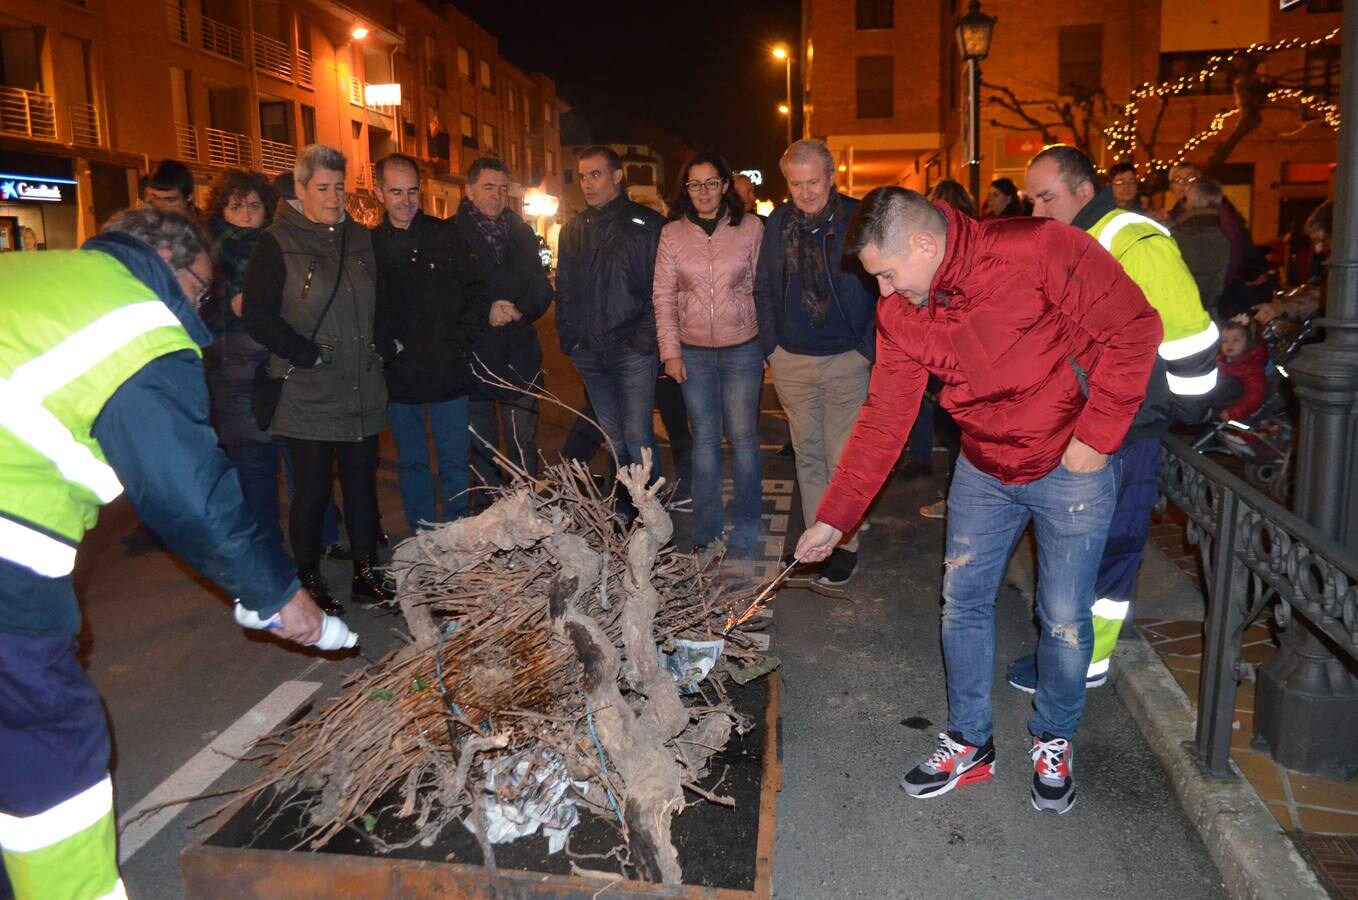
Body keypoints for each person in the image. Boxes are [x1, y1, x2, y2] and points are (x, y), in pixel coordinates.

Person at [794, 186, 1162, 815]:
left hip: (1070, 463)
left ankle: (1054, 736)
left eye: (887, 274)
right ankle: (969, 741)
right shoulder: (904, 313)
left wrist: (1097, 438)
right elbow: (885, 419)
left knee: (1066, 619)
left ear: (923, 243)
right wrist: (835, 516)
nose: (883, 291)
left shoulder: (1041, 248)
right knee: (961, 601)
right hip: (984, 467)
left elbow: (1134, 329)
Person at [0, 206, 324, 899]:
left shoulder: (37, 277)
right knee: (49, 751)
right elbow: (187, 493)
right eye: (203, 292)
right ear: (171, 267)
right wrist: (278, 594)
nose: (202, 314)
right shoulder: (134, 321)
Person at [1011, 145, 1217, 693]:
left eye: (1046, 198)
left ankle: (1082, 665)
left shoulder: (1133, 239)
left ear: (1084, 191)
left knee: (1107, 547)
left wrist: (1188, 409)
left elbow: (1188, 332)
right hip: (1083, 422)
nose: (1036, 212)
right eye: (1032, 200)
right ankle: (1067, 654)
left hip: (1126, 427)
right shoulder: (1075, 237)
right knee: (1076, 545)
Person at [244, 144, 392, 611]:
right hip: (308, 389)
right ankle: (307, 577)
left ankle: (365, 573)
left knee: (361, 486)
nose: (333, 197)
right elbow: (257, 315)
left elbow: (384, 301)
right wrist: (303, 354)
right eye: (323, 187)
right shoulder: (276, 242)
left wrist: (384, 344)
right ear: (301, 188)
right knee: (311, 490)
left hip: (361, 385)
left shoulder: (362, 238)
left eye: (339, 187)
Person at [754, 139, 877, 586]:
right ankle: (819, 540)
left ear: (831, 178)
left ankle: (846, 543)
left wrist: (867, 347)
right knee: (807, 455)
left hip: (847, 357)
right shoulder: (778, 223)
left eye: (813, 182)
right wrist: (772, 346)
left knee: (841, 456)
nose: (805, 193)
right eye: (795, 184)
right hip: (791, 360)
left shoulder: (859, 218)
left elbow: (884, 286)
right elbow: (764, 285)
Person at [653, 152, 765, 557]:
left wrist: (766, 347)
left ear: (725, 184)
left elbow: (762, 288)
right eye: (694, 184)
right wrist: (671, 352)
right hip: (693, 353)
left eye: (711, 182)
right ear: (686, 189)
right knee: (704, 442)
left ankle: (749, 524)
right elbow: (663, 296)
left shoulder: (751, 228)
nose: (703, 191)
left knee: (743, 438)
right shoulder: (672, 234)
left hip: (743, 349)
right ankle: (707, 530)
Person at [372, 153, 488, 532]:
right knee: (414, 463)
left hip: (447, 371)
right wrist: (384, 348)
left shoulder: (445, 236)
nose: (405, 200)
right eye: (395, 192)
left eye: (411, 191)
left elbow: (476, 292)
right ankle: (422, 536)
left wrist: (458, 342)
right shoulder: (369, 246)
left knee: (455, 461)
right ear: (379, 193)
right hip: (399, 377)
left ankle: (454, 534)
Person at [555, 146, 666, 489]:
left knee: (637, 436)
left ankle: (649, 514)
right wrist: (571, 340)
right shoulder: (573, 229)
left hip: (632, 351)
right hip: (589, 353)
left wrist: (644, 340)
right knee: (613, 438)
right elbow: (566, 289)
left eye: (596, 174)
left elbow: (660, 289)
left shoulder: (646, 224)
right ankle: (625, 507)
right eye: (583, 176)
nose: (587, 184)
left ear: (617, 176)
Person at [455, 157, 553, 508]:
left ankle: (527, 516)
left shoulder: (523, 233)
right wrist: (486, 312)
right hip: (475, 360)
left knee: (522, 444)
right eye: (487, 187)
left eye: (502, 188)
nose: (496, 195)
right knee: (482, 449)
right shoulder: (452, 235)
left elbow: (543, 289)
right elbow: (445, 298)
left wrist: (521, 311)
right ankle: (488, 521)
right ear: (469, 191)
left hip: (520, 357)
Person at [201, 170, 288, 554]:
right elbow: (246, 307)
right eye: (237, 206)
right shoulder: (216, 250)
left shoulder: (274, 245)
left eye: (254, 206)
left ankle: (295, 548)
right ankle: (264, 559)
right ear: (222, 209)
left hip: (270, 370)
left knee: (285, 466)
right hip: (237, 374)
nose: (247, 215)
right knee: (255, 472)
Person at [1171, 179, 1232, 318]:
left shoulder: (1178, 235)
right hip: (1211, 308)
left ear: (1191, 202)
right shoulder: (1226, 230)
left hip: (1182, 308)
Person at [1208, 320, 1267, 423]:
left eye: (1236, 340)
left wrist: (1233, 413)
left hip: (1231, 408)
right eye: (1224, 340)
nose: (1229, 344)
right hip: (1215, 400)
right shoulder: (1220, 360)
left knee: (1231, 384)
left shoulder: (1251, 367)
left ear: (1248, 342)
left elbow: (1256, 396)